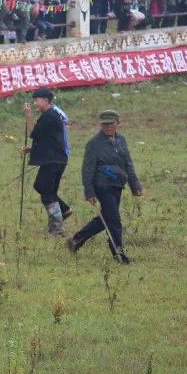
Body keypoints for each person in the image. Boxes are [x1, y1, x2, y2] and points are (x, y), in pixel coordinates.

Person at [67, 110, 143, 263]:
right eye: (104, 124)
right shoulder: (94, 143)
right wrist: (89, 192)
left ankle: (76, 240)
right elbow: (87, 169)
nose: (108, 126)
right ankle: (119, 255)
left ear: (118, 124)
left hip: (117, 185)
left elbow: (128, 163)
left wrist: (135, 185)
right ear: (100, 125)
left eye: (111, 123)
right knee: (114, 220)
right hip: (102, 185)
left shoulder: (121, 140)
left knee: (107, 218)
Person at [21, 88, 72, 236]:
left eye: (37, 100)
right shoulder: (51, 115)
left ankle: (57, 228)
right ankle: (64, 210)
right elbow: (49, 140)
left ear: (46, 100)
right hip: (56, 159)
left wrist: (28, 115)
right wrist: (32, 149)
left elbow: (32, 133)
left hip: (53, 161)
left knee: (44, 189)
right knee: (45, 188)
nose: (35, 103)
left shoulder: (49, 116)